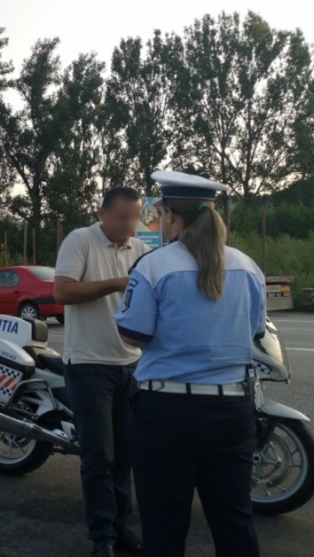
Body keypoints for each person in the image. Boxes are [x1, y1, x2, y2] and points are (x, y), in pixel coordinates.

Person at [114, 171, 265, 557]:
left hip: (166, 415)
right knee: (234, 524)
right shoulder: (248, 266)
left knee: (164, 528)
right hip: (232, 412)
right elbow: (254, 332)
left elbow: (133, 335)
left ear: (169, 215)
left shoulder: (153, 266)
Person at [54, 187, 150, 557]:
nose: (130, 225)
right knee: (99, 457)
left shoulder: (141, 250)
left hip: (131, 365)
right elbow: (62, 292)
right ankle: (101, 537)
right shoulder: (80, 240)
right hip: (88, 365)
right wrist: (116, 283)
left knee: (126, 455)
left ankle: (120, 526)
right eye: (123, 217)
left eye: (135, 217)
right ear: (101, 213)